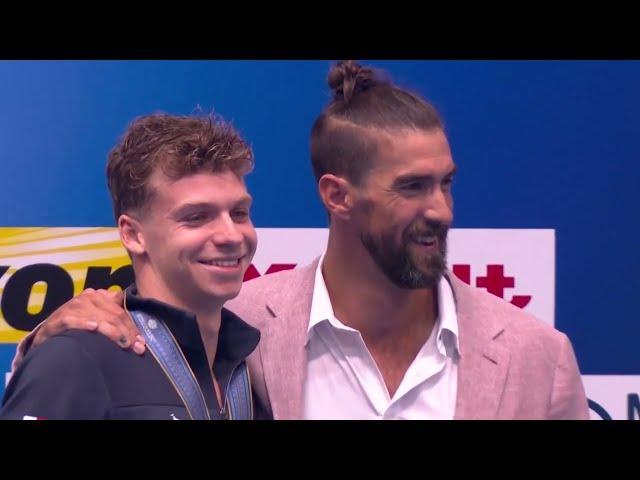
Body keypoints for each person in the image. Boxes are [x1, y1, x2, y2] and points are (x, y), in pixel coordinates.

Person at [10, 61, 589, 419]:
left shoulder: (536, 356)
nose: (440, 210)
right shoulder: (242, 330)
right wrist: (50, 338)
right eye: (412, 187)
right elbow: (87, 372)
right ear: (337, 195)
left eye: (446, 183)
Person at [1, 113, 264, 420]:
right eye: (196, 217)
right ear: (133, 234)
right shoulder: (74, 358)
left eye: (239, 213)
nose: (231, 235)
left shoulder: (259, 362)